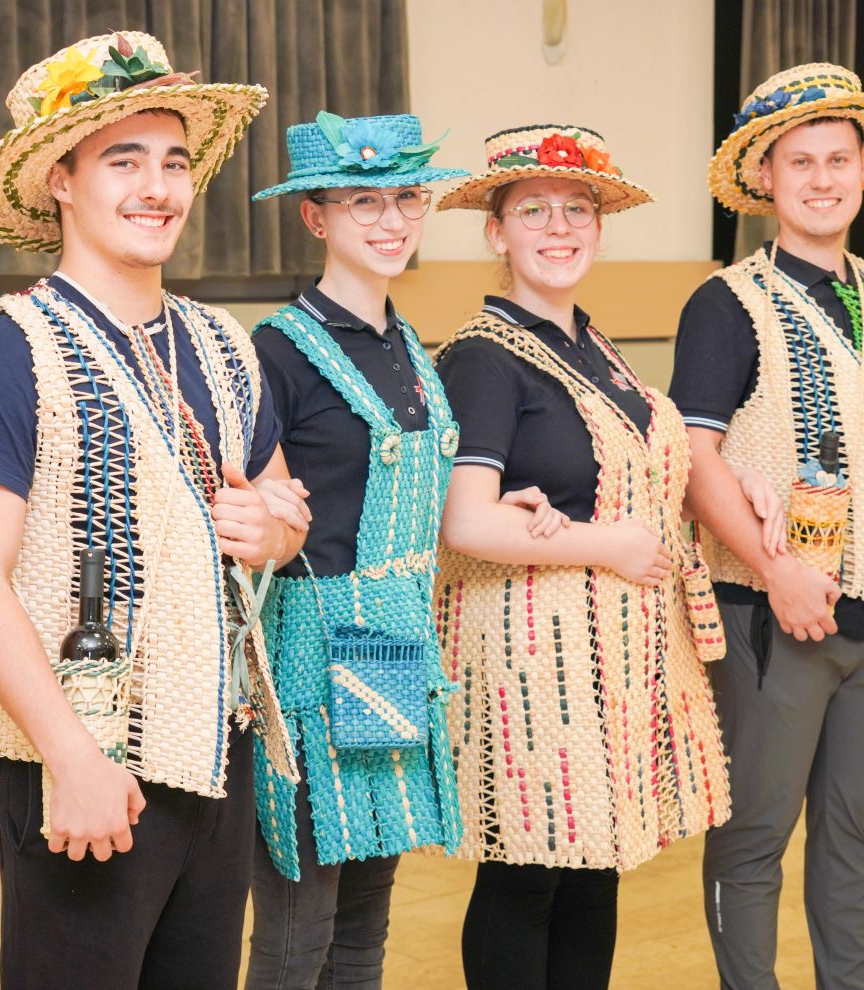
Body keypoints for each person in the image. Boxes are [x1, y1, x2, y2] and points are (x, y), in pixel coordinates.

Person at [0, 32, 307, 989]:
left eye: (174, 162)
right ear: (59, 180)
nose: (158, 187)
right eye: (122, 160)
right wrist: (72, 759)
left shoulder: (222, 343)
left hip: (213, 751)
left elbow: (280, 502)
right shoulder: (6, 352)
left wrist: (274, 527)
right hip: (85, 756)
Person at [433, 124, 748, 990]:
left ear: (600, 227)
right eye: (531, 210)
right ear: (495, 233)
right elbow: (464, 523)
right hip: (529, 667)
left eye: (576, 209)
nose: (558, 227)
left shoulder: (592, 350)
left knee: (590, 870)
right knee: (528, 872)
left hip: (609, 660)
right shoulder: (484, 359)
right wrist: (606, 544)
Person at [670, 63, 864, 989]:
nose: (823, 177)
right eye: (801, 161)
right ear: (764, 178)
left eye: (840, 158)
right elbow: (693, 460)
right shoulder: (727, 303)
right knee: (753, 840)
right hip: (774, 616)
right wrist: (773, 565)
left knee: (854, 839)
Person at [241, 111, 470, 988]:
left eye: (407, 199)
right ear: (315, 217)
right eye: (362, 202)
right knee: (300, 924)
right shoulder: (277, 351)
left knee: (367, 916)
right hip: (308, 662)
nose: (390, 222)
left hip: (395, 648)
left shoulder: (407, 345)